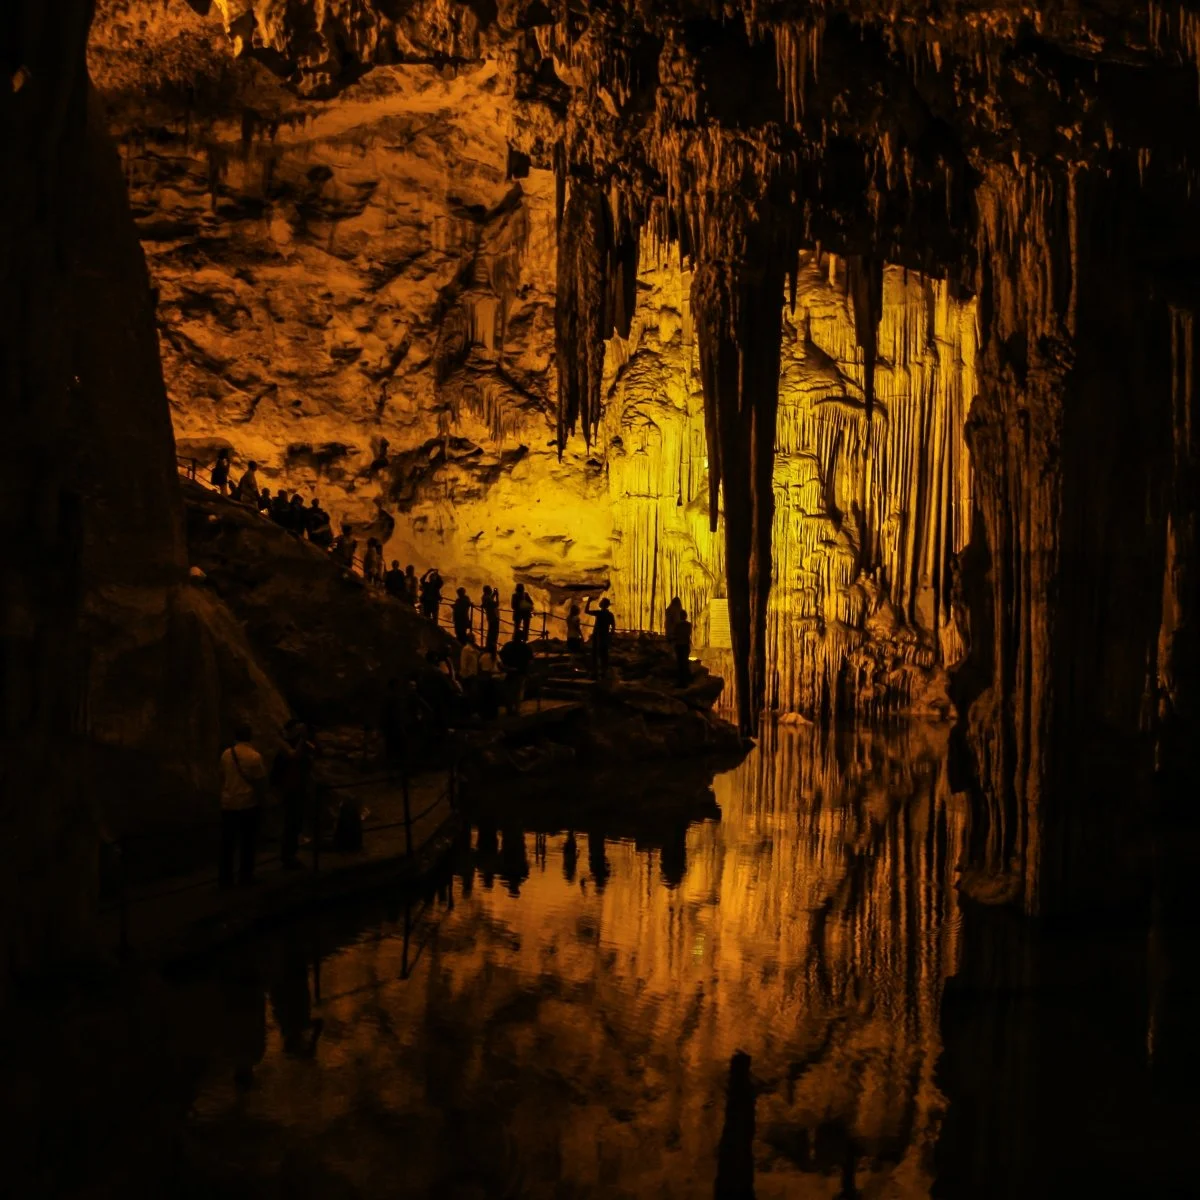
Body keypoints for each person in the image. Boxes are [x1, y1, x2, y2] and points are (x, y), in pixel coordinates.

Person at [219, 724, 267, 887]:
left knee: (228, 843)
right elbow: (260, 781)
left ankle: (225, 878)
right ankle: (246, 876)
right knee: (248, 842)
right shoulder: (254, 757)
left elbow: (222, 775)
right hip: (248, 803)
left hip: (228, 803)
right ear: (250, 736)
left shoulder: (226, 754)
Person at [272, 720, 314, 870]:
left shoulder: (301, 747)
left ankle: (291, 854)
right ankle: (288, 856)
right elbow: (280, 770)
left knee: (296, 823)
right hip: (291, 791)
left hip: (298, 790)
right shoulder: (286, 751)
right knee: (291, 824)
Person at [499, 637, 532, 715]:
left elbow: (501, 656)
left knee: (509, 691)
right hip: (521, 672)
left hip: (509, 672)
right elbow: (530, 661)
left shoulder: (507, 645)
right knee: (518, 692)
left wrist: (506, 667)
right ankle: (517, 709)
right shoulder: (526, 647)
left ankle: (509, 709)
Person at [586, 595, 616, 678]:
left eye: (601, 602)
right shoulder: (610, 614)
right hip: (604, 636)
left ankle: (596, 671)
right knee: (604, 654)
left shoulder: (599, 613)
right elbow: (613, 626)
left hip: (597, 635)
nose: (599, 603)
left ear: (603, 604)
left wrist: (589, 601)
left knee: (596, 653)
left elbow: (586, 611)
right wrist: (610, 634)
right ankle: (603, 671)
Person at [458, 633, 481, 709]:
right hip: (469, 676)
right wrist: (467, 674)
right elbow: (463, 663)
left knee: (472, 694)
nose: (474, 639)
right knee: (470, 694)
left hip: (473, 675)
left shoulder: (473, 649)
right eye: (473, 638)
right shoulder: (466, 649)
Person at [674, 607, 693, 687]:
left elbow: (676, 634)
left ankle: (681, 682)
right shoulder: (688, 625)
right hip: (685, 645)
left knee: (680, 664)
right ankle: (686, 681)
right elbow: (688, 634)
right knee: (685, 663)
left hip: (679, 645)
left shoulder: (677, 625)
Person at [482, 585, 500, 653]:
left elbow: (490, 600)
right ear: (487, 591)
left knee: (490, 633)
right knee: (494, 634)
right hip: (494, 617)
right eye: (490, 589)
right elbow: (496, 604)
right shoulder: (487, 598)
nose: (491, 590)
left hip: (490, 617)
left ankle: (489, 647)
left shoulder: (484, 597)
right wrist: (497, 596)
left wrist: (494, 594)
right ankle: (492, 648)